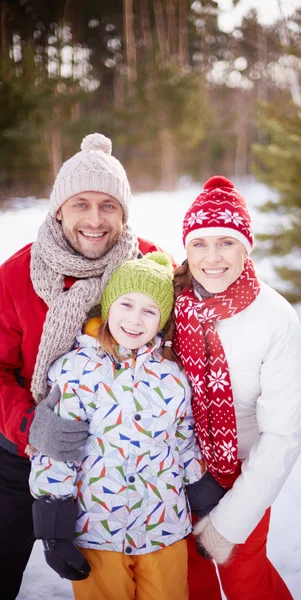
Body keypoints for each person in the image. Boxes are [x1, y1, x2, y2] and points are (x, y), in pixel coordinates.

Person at [0, 133, 165, 600]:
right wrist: (31, 426)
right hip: (18, 455)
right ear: (59, 210)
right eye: (81, 204)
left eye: (109, 206)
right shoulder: (16, 276)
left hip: (116, 464)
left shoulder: (149, 266)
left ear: (124, 212)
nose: (95, 220)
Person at [29, 253, 204, 600]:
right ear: (109, 306)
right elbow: (57, 453)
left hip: (163, 527)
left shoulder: (173, 376)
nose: (135, 320)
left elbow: (184, 441)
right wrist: (54, 530)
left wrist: (206, 500)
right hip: (97, 530)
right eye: (126, 304)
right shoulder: (77, 371)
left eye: (150, 311)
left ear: (163, 320)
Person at [173, 175, 301, 600]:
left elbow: (283, 436)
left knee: (246, 584)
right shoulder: (170, 304)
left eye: (226, 242)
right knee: (189, 582)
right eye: (199, 243)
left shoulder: (275, 319)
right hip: (173, 475)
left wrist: (229, 521)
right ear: (186, 249)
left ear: (246, 247)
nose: (212, 257)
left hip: (241, 479)